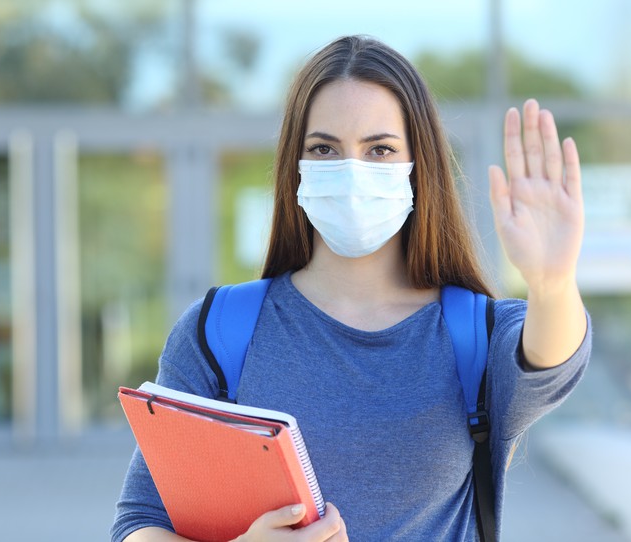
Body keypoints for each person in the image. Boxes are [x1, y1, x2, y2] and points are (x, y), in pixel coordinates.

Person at [111, 35, 591, 542]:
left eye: (379, 149)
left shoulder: (480, 334)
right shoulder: (219, 331)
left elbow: (551, 360)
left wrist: (553, 281)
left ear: (418, 166)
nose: (352, 171)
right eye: (324, 149)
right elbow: (138, 524)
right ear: (295, 166)